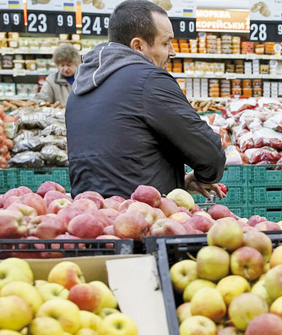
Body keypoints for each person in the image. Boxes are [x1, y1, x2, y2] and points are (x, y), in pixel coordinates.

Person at [66, 0, 225, 199]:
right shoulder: (149, 80)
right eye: (166, 43)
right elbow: (210, 153)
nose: (172, 51)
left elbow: (117, 162)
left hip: (91, 217)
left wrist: (178, 181)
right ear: (138, 46)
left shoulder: (79, 88)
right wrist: (205, 176)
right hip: (142, 217)